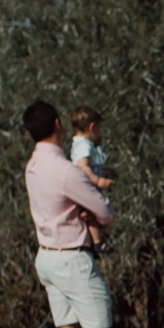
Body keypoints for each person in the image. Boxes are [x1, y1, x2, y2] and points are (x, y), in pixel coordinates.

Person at [20, 99, 115, 328]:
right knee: (100, 327)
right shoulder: (65, 171)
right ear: (58, 125)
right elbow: (105, 212)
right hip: (71, 258)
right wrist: (98, 215)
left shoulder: (33, 166)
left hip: (46, 257)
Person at [67, 106, 113, 251]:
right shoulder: (84, 146)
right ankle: (97, 242)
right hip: (86, 186)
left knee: (91, 214)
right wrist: (97, 180)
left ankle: (95, 241)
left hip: (82, 186)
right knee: (93, 214)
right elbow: (83, 166)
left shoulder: (79, 144)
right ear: (92, 127)